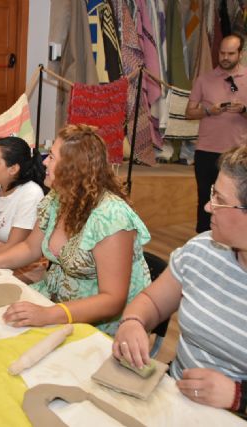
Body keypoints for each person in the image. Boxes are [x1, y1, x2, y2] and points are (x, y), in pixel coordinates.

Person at [0, 124, 151, 335]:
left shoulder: (111, 218)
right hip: (56, 301)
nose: (44, 161)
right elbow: (30, 248)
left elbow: (112, 300)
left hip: (103, 324)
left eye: (52, 157)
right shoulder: (56, 199)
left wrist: (48, 315)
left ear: (72, 167)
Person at [113, 144, 247, 415]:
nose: (209, 206)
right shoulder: (202, 249)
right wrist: (133, 322)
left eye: (220, 199)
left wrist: (238, 396)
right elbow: (152, 301)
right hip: (175, 398)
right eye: (212, 193)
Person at [186, 34, 247, 233]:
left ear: (240, 53)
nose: (225, 57)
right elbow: (189, 112)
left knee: (236, 199)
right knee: (205, 197)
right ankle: (203, 241)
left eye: (230, 53)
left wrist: (244, 110)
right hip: (206, 150)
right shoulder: (204, 79)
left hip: (238, 153)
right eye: (222, 53)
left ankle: (235, 240)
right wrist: (208, 111)